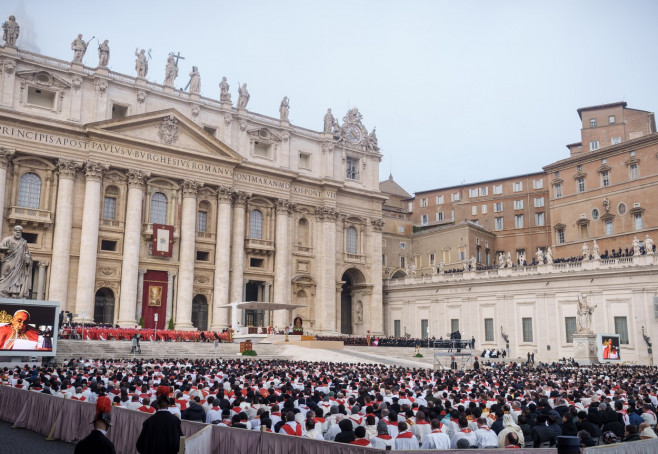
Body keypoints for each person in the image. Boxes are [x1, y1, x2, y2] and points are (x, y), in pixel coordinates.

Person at [0, 225, 33, 297]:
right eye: (16, 231)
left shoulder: (23, 242)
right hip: (9, 261)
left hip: (19, 264)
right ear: (13, 231)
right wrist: (6, 249)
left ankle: (14, 291)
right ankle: (4, 290)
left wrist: (27, 258)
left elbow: (26, 252)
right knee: (5, 275)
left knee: (17, 278)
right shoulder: (7, 239)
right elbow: (1, 247)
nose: (18, 233)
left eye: (19, 232)